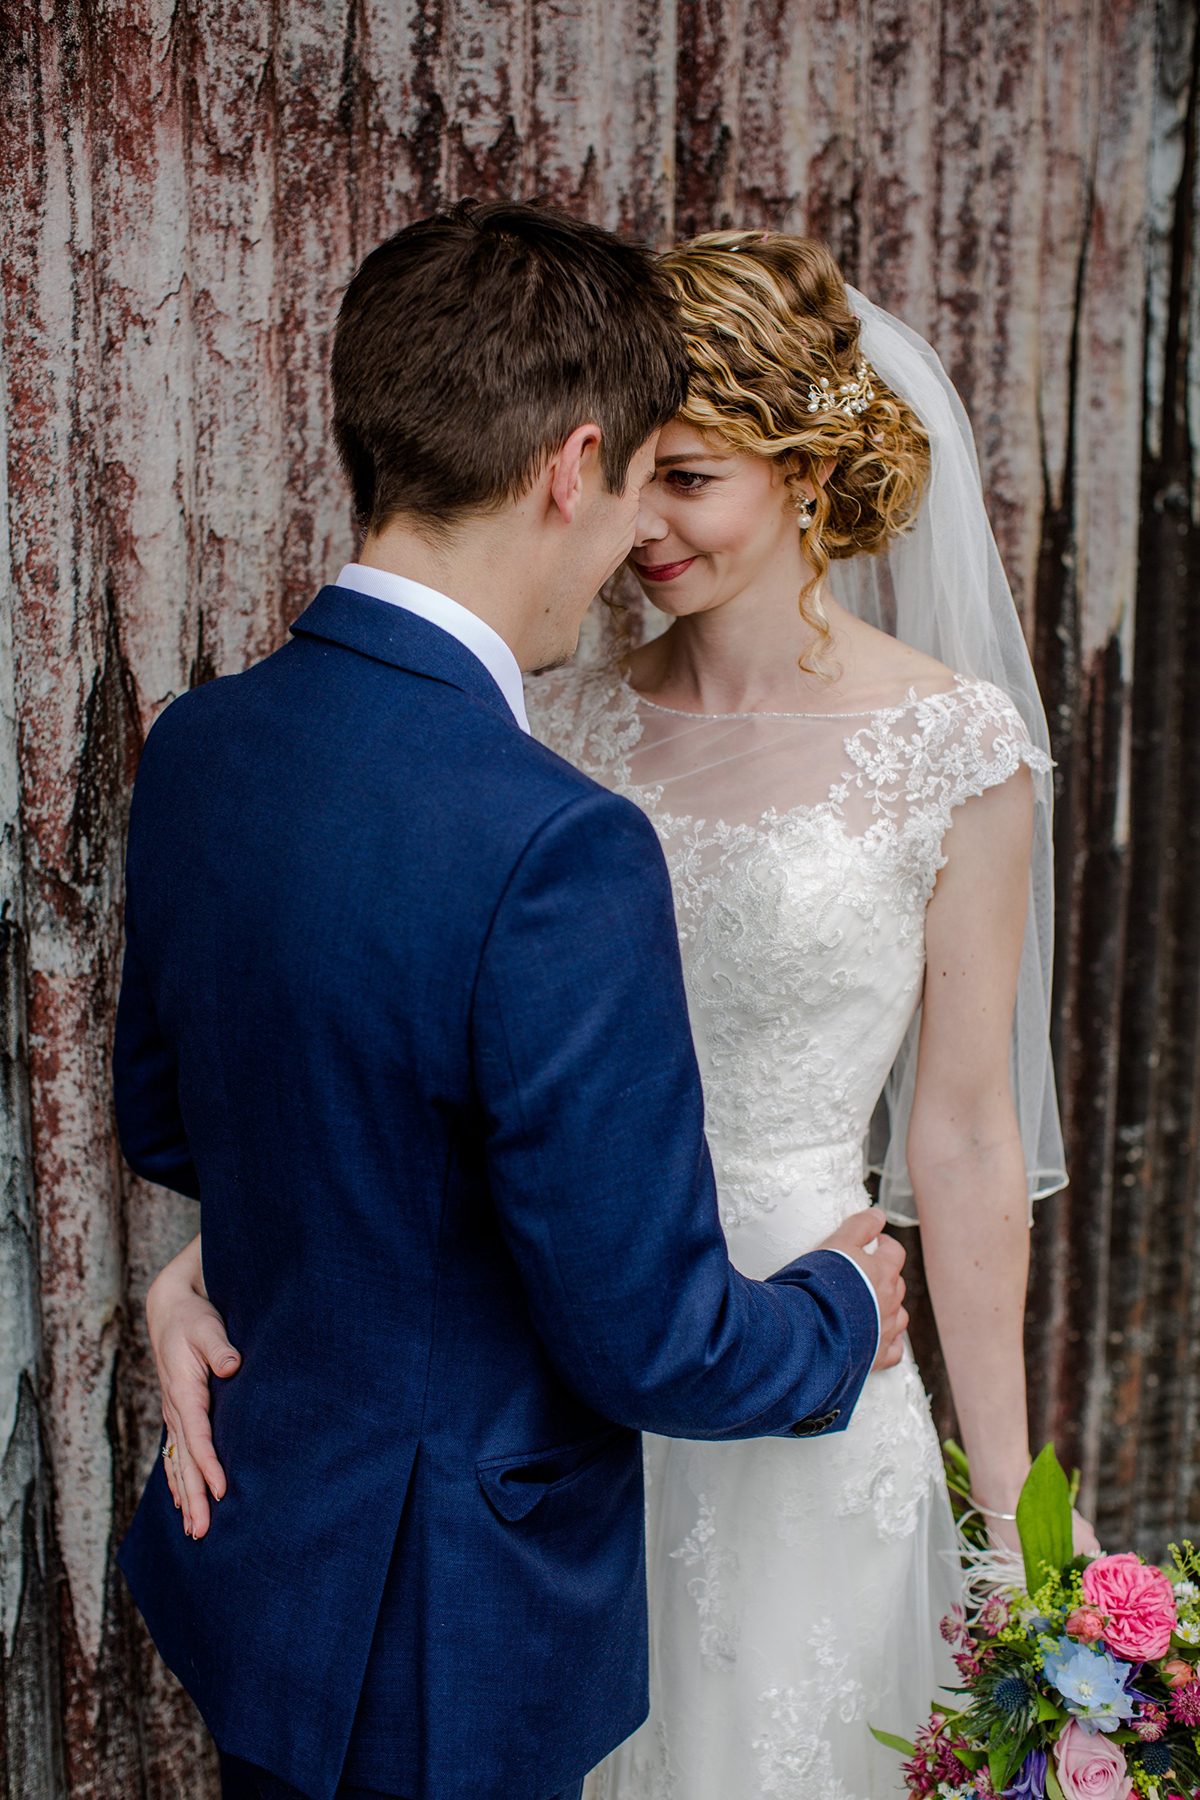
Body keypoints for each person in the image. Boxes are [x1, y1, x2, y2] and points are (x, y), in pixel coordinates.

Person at [113, 202, 905, 1800]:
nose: (629, 550)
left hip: (265, 1569)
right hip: (447, 1644)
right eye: (634, 492)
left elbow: (174, 1119)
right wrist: (843, 1311)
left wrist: (207, 1272)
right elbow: (654, 1344)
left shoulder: (200, 742)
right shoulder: (558, 843)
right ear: (572, 467)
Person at [522, 231, 1103, 1800]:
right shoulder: (556, 717)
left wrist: (1013, 1521)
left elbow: (968, 1136)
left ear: (804, 462)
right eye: (626, 475)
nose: (643, 525)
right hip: (563, 1352)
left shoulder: (949, 745)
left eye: (690, 476)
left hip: (816, 1349)